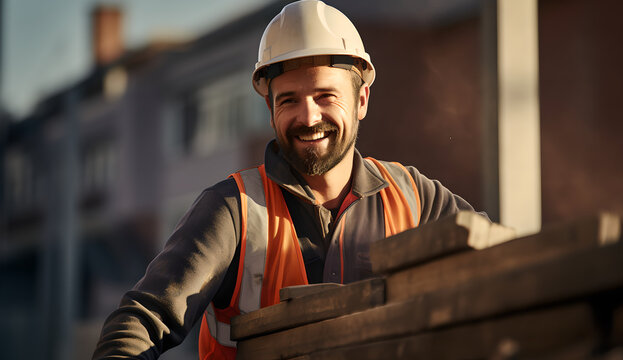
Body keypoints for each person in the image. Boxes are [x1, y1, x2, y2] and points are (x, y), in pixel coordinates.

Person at [93, 1, 484, 359]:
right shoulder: (233, 211)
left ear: (361, 100)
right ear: (269, 108)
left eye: (325, 96)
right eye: (289, 100)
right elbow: (140, 323)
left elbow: (499, 271)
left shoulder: (415, 198)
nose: (308, 117)